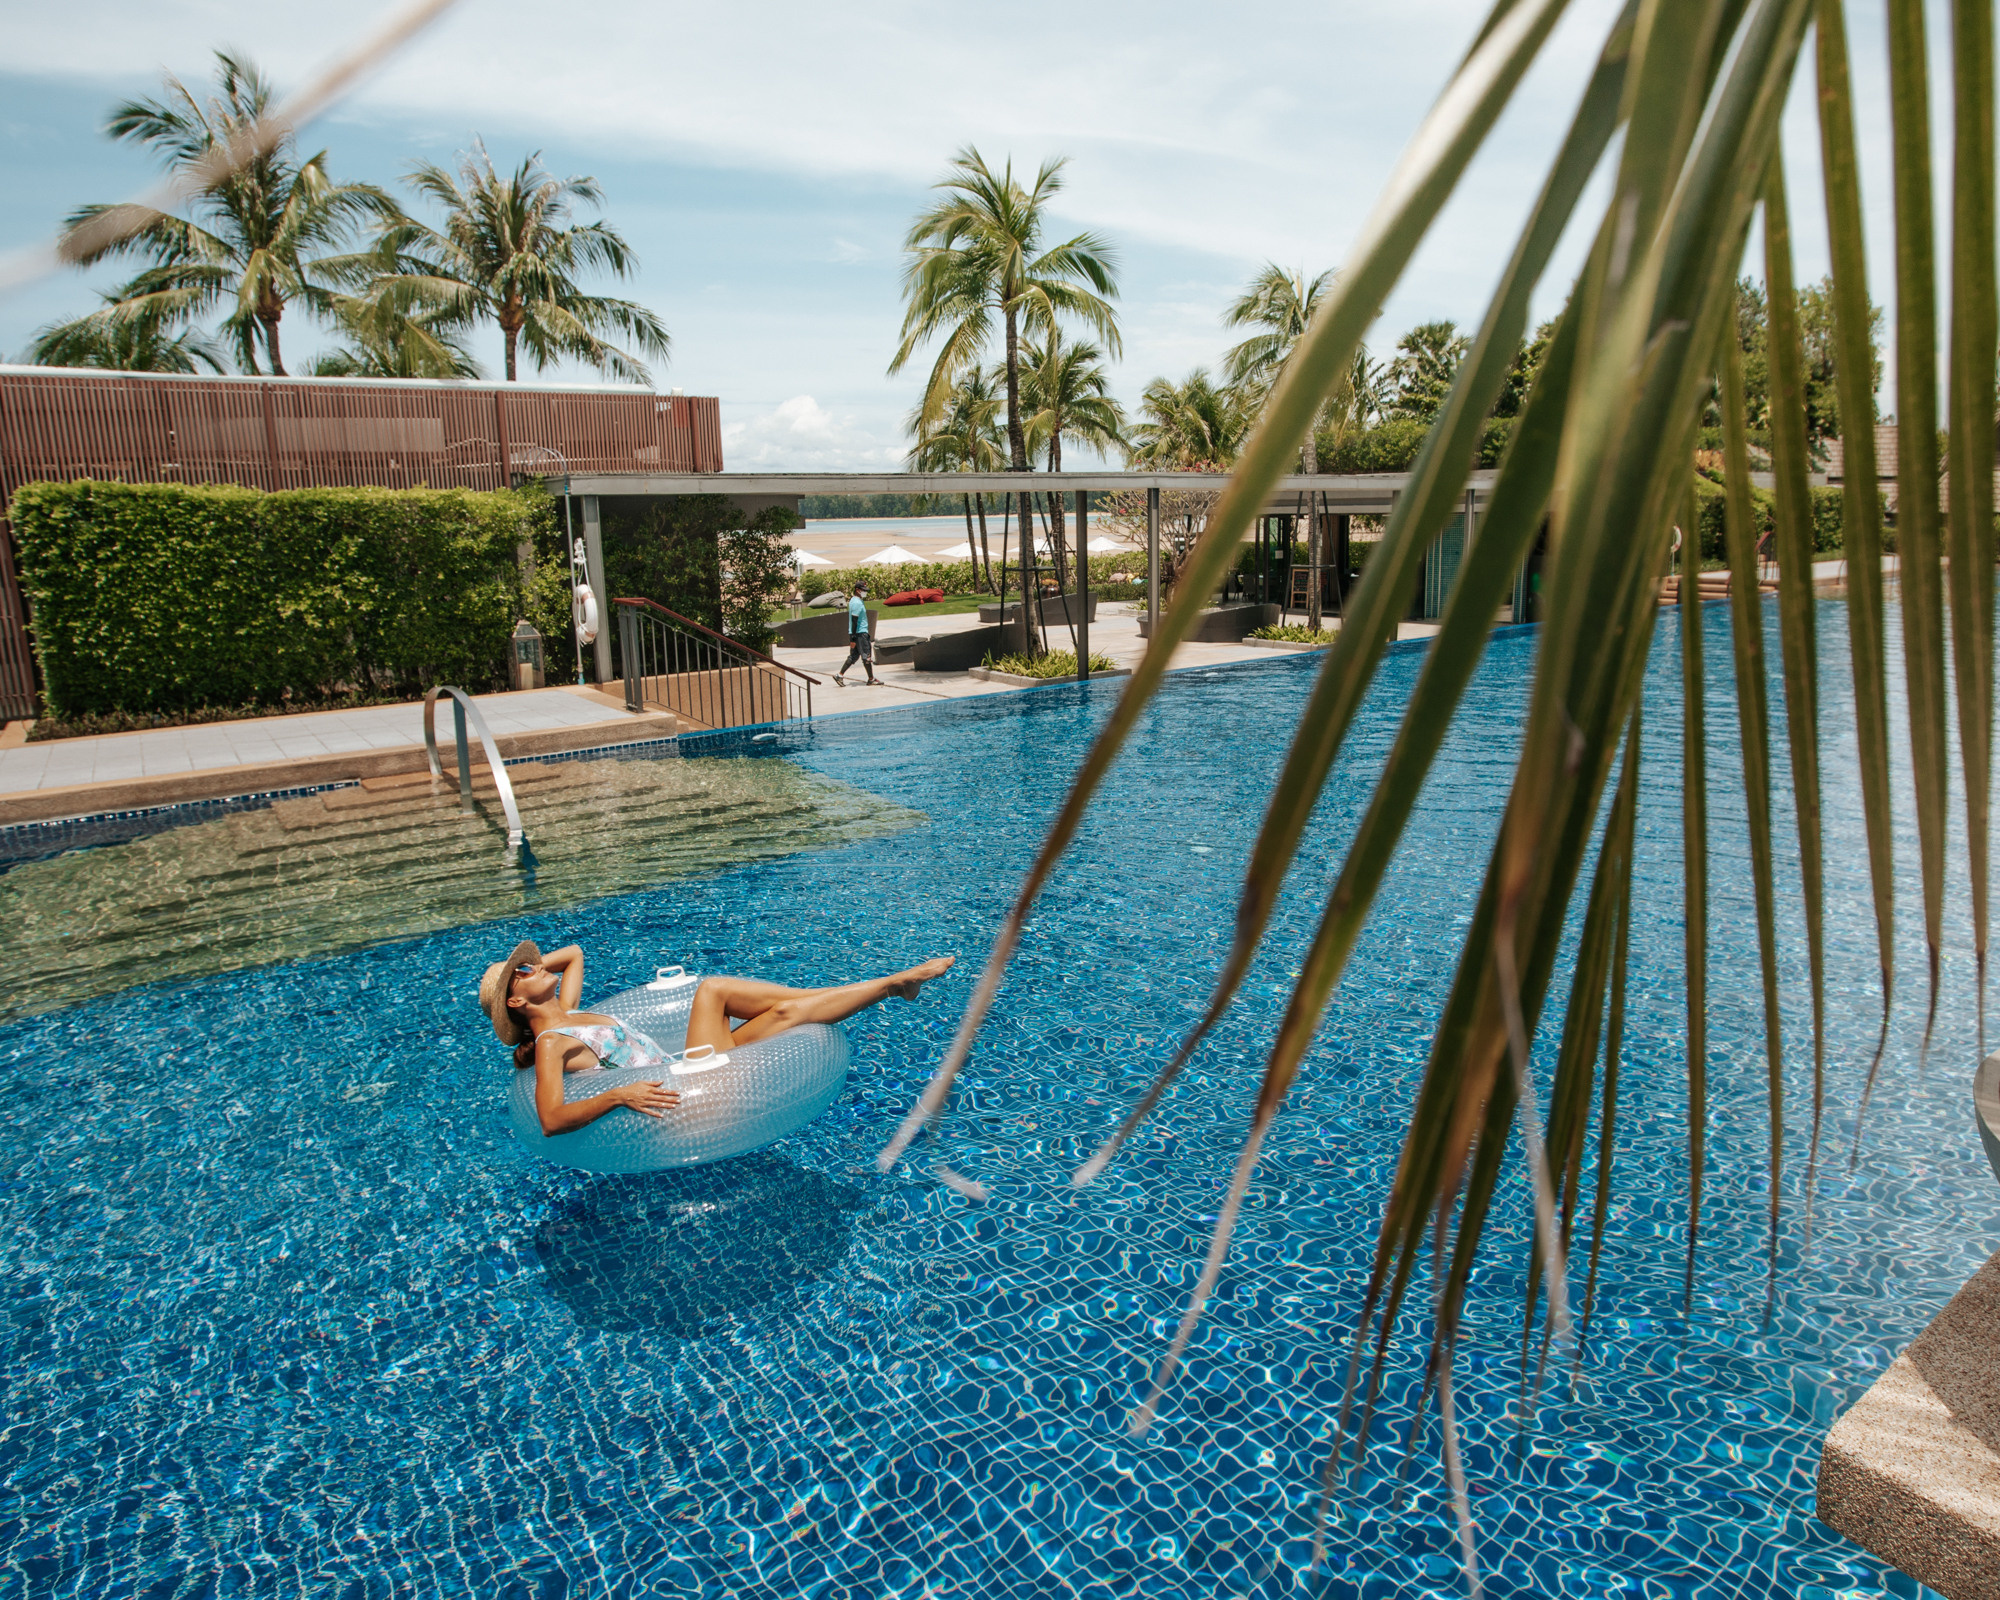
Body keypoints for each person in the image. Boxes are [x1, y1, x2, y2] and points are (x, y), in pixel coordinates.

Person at [478, 940, 955, 1135]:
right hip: (688, 1103)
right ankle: (881, 984)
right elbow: (551, 1119)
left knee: (784, 1010)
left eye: (533, 960)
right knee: (715, 990)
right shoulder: (550, 1043)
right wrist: (616, 1095)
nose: (538, 964)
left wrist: (527, 972)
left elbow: (575, 954)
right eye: (524, 970)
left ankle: (893, 985)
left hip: (691, 1065)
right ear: (516, 1003)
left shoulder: (574, 1011)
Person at [835, 580, 878, 686]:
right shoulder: (857, 603)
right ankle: (871, 679)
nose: (865, 592)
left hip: (858, 633)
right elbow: (854, 621)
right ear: (857, 590)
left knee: (854, 656)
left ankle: (839, 675)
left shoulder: (856, 600)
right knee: (866, 657)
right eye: (863, 590)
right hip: (860, 634)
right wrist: (853, 639)